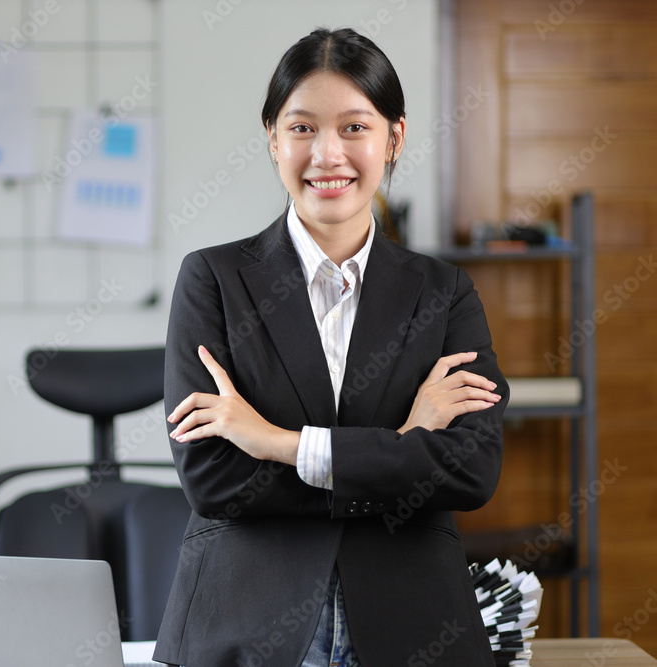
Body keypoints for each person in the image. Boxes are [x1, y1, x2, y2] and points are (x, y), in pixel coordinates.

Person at [153, 27, 509, 667]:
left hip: (413, 621)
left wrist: (278, 443)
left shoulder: (445, 293)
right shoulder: (213, 280)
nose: (327, 154)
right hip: (248, 618)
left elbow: (472, 469)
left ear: (393, 138)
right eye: (301, 128)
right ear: (272, 138)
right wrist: (404, 443)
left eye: (354, 127)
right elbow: (212, 478)